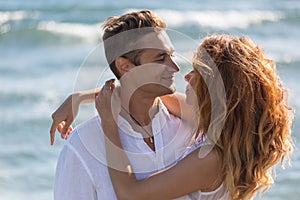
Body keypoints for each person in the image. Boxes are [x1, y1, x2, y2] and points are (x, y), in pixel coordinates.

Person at [95, 34, 294, 199]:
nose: (186, 76)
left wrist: (109, 124)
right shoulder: (223, 128)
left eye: (197, 72)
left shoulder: (211, 160)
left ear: (214, 88)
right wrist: (78, 99)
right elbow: (149, 92)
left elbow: (130, 194)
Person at [53, 10, 197, 200]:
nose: (175, 67)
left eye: (172, 55)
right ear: (125, 66)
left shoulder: (188, 125)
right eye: (161, 58)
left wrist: (80, 97)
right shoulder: (83, 145)